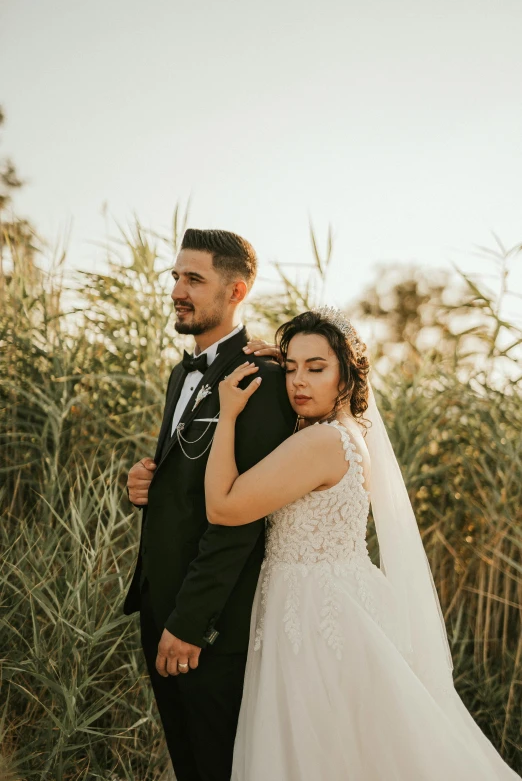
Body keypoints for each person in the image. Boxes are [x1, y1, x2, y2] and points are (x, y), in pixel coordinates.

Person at [204, 307, 521, 781]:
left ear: (347, 378)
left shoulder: (320, 443)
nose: (298, 382)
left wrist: (227, 415)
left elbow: (223, 509)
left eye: (316, 368)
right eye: (291, 368)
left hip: (313, 618)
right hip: (339, 600)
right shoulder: (345, 434)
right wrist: (282, 362)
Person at [123, 228, 296, 781]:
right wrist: (146, 481)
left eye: (194, 279)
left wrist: (192, 623)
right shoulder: (183, 373)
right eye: (175, 277)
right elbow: (192, 478)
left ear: (236, 290)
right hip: (160, 607)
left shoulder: (263, 379)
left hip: (207, 628)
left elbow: (240, 520)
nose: (178, 289)